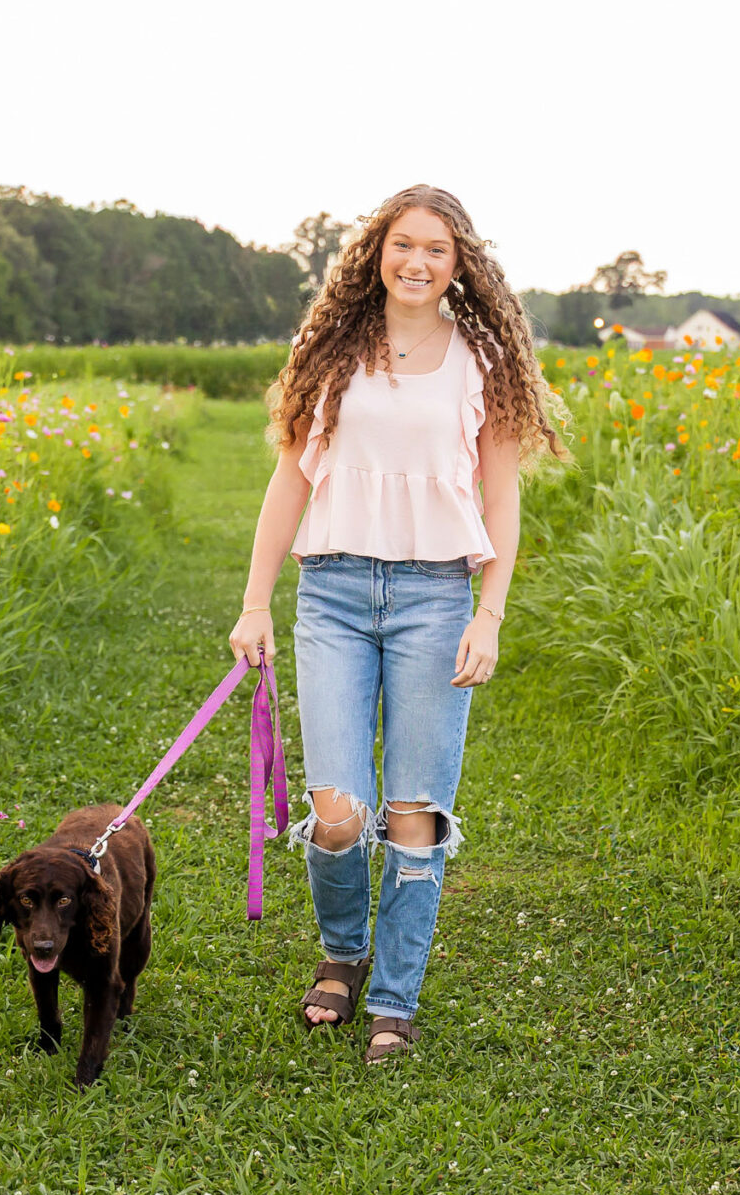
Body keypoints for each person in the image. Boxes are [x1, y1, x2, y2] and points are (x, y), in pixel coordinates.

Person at [228, 184, 563, 1064]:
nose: (417, 262)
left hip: (436, 596)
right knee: (338, 813)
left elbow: (502, 496)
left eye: (437, 250)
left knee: (413, 815)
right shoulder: (332, 345)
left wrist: (489, 612)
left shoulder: (480, 356)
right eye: (403, 244)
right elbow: (291, 481)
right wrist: (257, 600)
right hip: (333, 592)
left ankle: (394, 1000)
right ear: (377, 251)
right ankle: (343, 951)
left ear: (460, 265)